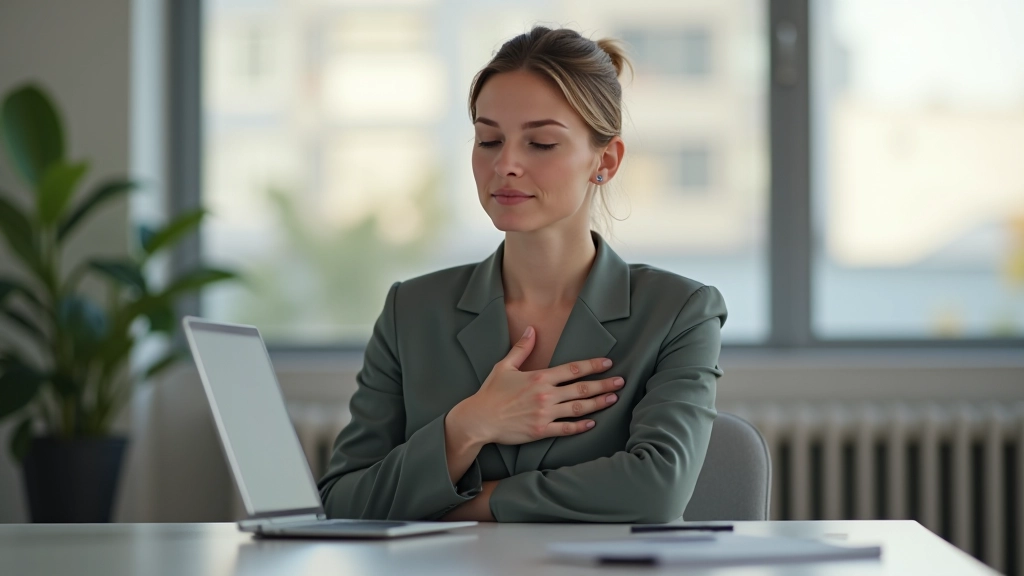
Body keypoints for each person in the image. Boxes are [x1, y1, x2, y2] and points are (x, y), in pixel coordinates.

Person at [317, 26, 728, 523]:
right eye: (489, 139)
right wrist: (467, 426)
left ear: (606, 160)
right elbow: (341, 500)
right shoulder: (412, 310)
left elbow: (656, 493)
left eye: (541, 143)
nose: (505, 164)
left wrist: (469, 502)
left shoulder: (679, 312)